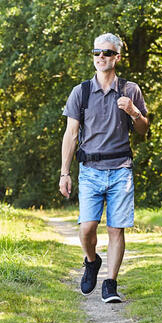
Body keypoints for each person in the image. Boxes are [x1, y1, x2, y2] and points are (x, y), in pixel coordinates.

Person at [59, 32, 149, 303]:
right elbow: (71, 134)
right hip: (89, 171)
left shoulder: (130, 90)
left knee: (115, 229)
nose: (101, 57)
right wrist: (65, 173)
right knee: (87, 228)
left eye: (107, 53)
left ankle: (110, 282)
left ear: (117, 57)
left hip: (121, 168)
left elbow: (144, 130)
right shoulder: (81, 91)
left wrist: (134, 112)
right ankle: (91, 260)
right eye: (97, 53)